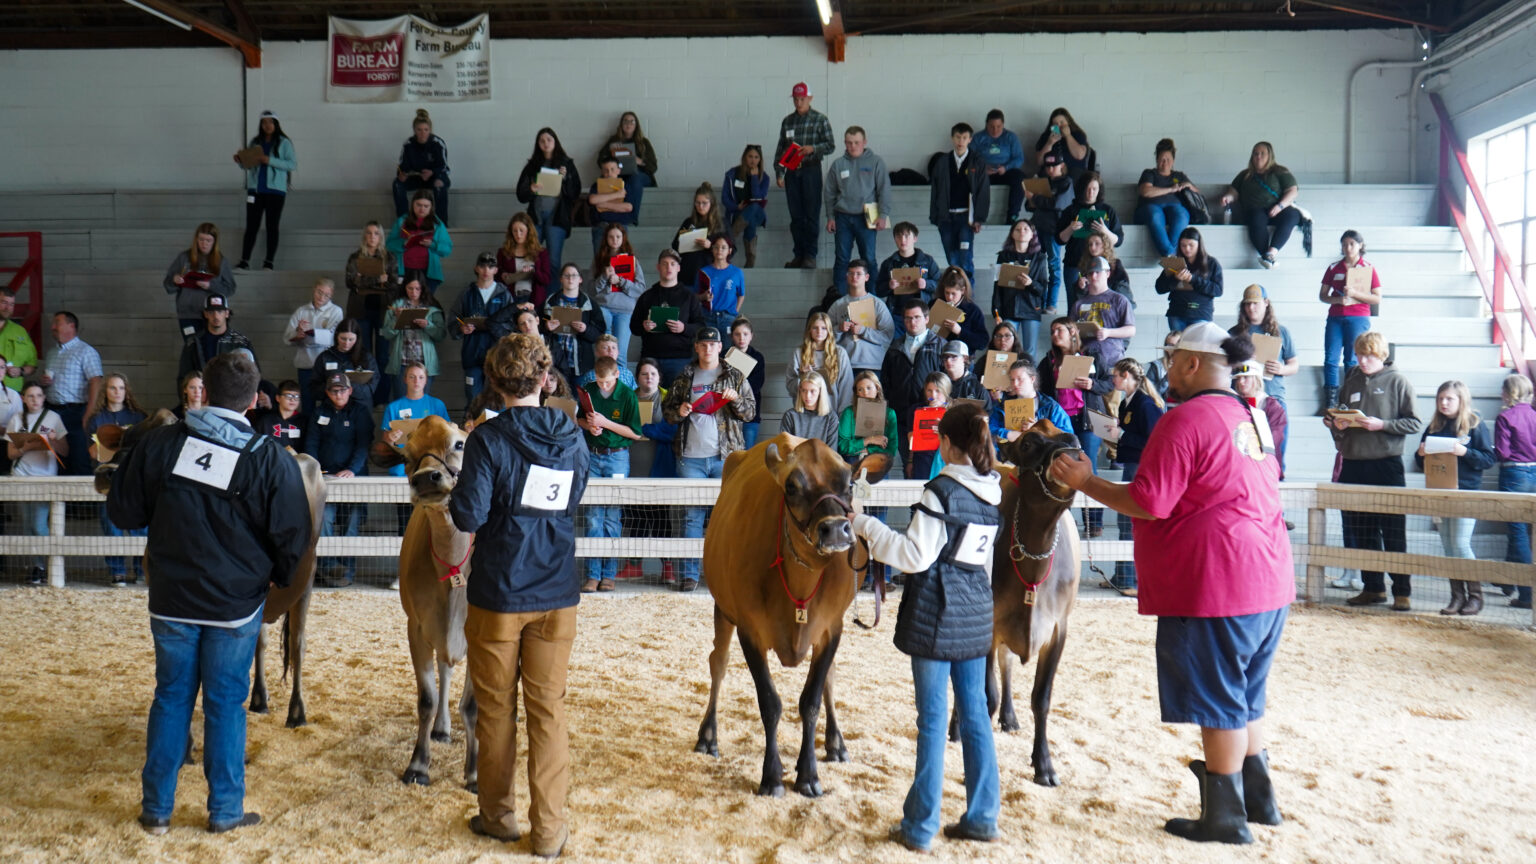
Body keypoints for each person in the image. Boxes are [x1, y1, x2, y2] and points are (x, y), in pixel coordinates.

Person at [1049, 321, 1291, 846]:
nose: (1168, 368)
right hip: (1268, 574)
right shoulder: (1249, 416)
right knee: (1245, 693)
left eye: (1173, 357)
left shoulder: (1186, 420)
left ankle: (1226, 816)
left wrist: (1086, 482)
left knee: (1221, 697)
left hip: (1216, 578)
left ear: (1190, 364)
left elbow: (1149, 502)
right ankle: (1259, 798)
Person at [107, 352, 311, 836]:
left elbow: (124, 511)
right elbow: (293, 537)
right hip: (235, 603)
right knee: (225, 702)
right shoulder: (268, 457)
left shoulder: (159, 444)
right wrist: (275, 578)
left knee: (171, 697)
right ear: (254, 399)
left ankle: (156, 810)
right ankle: (224, 810)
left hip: (172, 598)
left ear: (203, 390)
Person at [449, 334, 588, 858]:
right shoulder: (573, 437)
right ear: (545, 379)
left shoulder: (488, 439)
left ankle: (498, 817)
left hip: (500, 592)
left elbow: (468, 515)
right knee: (548, 710)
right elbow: (573, 497)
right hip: (557, 589)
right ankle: (549, 833)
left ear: (495, 383)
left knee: (496, 709)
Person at [852, 401, 1001, 853]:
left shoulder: (942, 491)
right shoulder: (993, 491)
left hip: (937, 613)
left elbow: (914, 557)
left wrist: (863, 523)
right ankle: (982, 816)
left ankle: (919, 827)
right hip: (975, 610)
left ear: (948, 444)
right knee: (975, 716)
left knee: (933, 721)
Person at [1329, 331, 1421, 610]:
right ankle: (1373, 588)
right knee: (1361, 529)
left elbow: (1414, 422)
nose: (1363, 360)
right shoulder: (1352, 380)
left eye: (1369, 355)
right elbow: (1341, 415)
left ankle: (1402, 591)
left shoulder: (1398, 382)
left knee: (1393, 530)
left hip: (1386, 464)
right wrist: (1336, 424)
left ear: (1381, 355)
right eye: (1359, 355)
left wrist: (1382, 425)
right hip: (1354, 464)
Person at [661, 326, 756, 592]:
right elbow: (668, 412)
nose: (707, 349)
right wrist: (679, 410)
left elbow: (750, 412)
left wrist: (735, 401)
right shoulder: (685, 376)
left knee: (726, 516)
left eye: (712, 345)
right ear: (696, 347)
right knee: (692, 517)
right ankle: (690, 575)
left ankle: (725, 573)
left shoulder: (734, 375)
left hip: (725, 457)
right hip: (691, 456)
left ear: (719, 347)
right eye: (703, 345)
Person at [1415, 380, 1495, 616]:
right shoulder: (1434, 427)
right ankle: (1457, 597)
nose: (1444, 403)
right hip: (1440, 492)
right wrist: (1420, 454)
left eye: (1449, 399)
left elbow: (1489, 459)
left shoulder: (1474, 424)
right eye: (1440, 399)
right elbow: (1421, 463)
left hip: (1466, 491)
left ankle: (1476, 597)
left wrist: (1465, 452)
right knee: (1449, 547)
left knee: (1460, 544)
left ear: (1461, 400)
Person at [577, 356, 642, 594]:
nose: (603, 386)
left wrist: (605, 422)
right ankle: (592, 575)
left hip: (617, 456)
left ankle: (609, 575)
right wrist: (590, 426)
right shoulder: (588, 391)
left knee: (612, 516)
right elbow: (580, 419)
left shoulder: (627, 394)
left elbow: (635, 433)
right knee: (594, 515)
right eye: (599, 381)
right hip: (593, 455)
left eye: (607, 381)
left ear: (617, 374)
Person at [1106, 358, 1167, 596]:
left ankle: (1130, 579)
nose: (1113, 379)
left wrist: (1120, 434)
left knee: (1129, 520)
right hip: (1131, 464)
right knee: (1124, 520)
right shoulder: (1127, 403)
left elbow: (1153, 442)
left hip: (1142, 466)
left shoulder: (1145, 405)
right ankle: (1121, 576)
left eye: (1116, 376)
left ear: (1128, 377)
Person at [1038, 318, 1104, 535]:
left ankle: (1094, 522)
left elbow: (1110, 382)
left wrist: (1093, 384)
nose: (1055, 334)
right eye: (1052, 330)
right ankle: (1066, 521)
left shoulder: (1091, 353)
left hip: (1087, 420)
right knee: (1061, 469)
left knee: (1089, 468)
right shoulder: (1048, 361)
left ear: (1073, 331)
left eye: (1059, 330)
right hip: (1061, 423)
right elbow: (1041, 392)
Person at [306, 373, 372, 588]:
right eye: (334, 390)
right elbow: (312, 443)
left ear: (350, 391)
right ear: (327, 393)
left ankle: (347, 572)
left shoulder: (360, 412)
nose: (339, 394)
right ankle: (327, 570)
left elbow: (363, 445)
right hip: (326, 479)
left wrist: (352, 470)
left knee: (351, 523)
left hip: (354, 479)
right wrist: (315, 469)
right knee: (324, 519)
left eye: (343, 390)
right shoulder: (319, 412)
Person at [87, 371, 149, 585]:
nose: (118, 392)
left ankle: (141, 570)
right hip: (107, 478)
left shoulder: (138, 417)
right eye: (113, 388)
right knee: (110, 524)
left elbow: (145, 448)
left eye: (121, 388)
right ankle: (117, 571)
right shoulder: (97, 419)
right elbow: (92, 453)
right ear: (106, 391)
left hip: (133, 478)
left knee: (139, 525)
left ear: (127, 391)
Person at [1230, 284, 1298, 471]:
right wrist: (1242, 362)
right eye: (1247, 304)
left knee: (1275, 451)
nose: (1251, 308)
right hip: (1243, 399)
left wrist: (1282, 369)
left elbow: (1294, 365)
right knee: (1243, 449)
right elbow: (1224, 365)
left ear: (1266, 303)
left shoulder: (1281, 332)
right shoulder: (1235, 333)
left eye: (1256, 303)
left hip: (1273, 397)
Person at [8, 381, 68, 584]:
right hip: (22, 476)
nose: (35, 400)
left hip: (45, 476)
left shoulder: (54, 418)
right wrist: (27, 447)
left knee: (39, 523)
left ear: (44, 398)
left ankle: (49, 564)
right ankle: (37, 566)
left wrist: (51, 440)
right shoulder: (16, 419)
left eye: (39, 396)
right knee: (26, 524)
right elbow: (10, 453)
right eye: (30, 396)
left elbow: (65, 450)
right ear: (23, 398)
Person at [1317, 230, 1380, 413]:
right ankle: (1330, 400)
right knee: (1330, 358)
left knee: (1352, 359)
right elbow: (1323, 295)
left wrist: (1355, 295)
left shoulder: (1368, 268)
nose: (1348, 248)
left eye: (1352, 244)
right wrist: (1337, 300)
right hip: (1336, 316)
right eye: (1344, 244)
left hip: (1358, 316)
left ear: (1360, 245)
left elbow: (1377, 298)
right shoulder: (1333, 268)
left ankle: (1351, 398)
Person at [881, 298, 945, 480]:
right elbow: (885, 381)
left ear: (927, 319)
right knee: (910, 470)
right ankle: (914, 510)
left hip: (933, 419)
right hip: (903, 419)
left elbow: (946, 381)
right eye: (908, 318)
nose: (912, 322)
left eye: (917, 317)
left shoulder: (939, 345)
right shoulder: (894, 347)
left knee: (934, 467)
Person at [775, 82, 837, 269]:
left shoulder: (820, 119)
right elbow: (781, 149)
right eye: (796, 99)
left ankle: (810, 254)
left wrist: (813, 148)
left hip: (811, 169)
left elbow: (830, 145)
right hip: (792, 171)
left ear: (810, 98)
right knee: (796, 216)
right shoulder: (787, 121)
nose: (799, 102)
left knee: (811, 214)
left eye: (802, 99)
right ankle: (799, 254)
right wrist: (780, 172)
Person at [826, 127, 892, 295]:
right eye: (849, 142)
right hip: (842, 217)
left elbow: (884, 190)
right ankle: (838, 299)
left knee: (869, 258)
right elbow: (829, 193)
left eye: (856, 142)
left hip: (867, 216)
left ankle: (872, 298)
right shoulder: (838, 164)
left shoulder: (876, 162)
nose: (852, 146)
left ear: (864, 142)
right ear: (844, 143)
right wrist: (830, 217)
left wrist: (883, 215)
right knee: (841, 258)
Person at [1220, 142, 1301, 270]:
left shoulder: (1280, 172)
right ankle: (1266, 257)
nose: (1258, 156)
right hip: (1255, 210)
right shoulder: (1245, 175)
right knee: (1256, 218)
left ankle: (1271, 253)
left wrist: (1280, 206)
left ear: (1270, 155)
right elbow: (1233, 191)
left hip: (1278, 210)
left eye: (1262, 153)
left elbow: (1292, 191)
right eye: (1255, 153)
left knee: (1293, 215)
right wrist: (1228, 197)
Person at [345, 221, 401, 400]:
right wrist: (378, 280)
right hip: (360, 310)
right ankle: (366, 394)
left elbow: (392, 284)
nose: (372, 236)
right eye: (369, 233)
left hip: (383, 311)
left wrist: (363, 281)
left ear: (381, 236)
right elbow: (350, 282)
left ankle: (382, 397)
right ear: (364, 236)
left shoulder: (389, 257)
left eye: (376, 233)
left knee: (383, 356)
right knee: (364, 355)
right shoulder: (355, 257)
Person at [631, 249, 706, 382]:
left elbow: (701, 327)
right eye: (664, 264)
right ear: (658, 267)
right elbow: (634, 327)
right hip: (651, 359)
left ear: (678, 268)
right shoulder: (647, 296)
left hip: (680, 359)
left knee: (678, 401)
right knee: (651, 401)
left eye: (672, 263)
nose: (668, 267)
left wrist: (684, 328)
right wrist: (644, 326)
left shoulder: (689, 297)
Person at [42, 310, 101, 476]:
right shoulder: (52, 353)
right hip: (52, 411)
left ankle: (83, 502)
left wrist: (88, 414)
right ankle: (60, 502)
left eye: (57, 323)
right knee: (56, 459)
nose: (52, 327)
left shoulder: (86, 351)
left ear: (71, 326)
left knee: (79, 458)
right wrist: (45, 383)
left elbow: (95, 382)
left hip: (76, 412)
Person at [233, 110, 295, 271]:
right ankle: (244, 261)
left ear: (276, 124)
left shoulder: (284, 142)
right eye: (264, 122)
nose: (267, 125)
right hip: (255, 190)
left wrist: (270, 160)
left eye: (270, 122)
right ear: (261, 125)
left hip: (275, 192)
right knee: (251, 226)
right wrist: (240, 161)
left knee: (271, 226)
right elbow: (248, 165)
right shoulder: (255, 142)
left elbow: (292, 164)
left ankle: (269, 262)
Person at [449, 252, 513, 405]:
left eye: (491, 267)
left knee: (499, 399)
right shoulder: (467, 293)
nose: (486, 270)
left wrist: (495, 327)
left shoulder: (504, 294)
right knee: (473, 398)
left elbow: (512, 324)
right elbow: (453, 318)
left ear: (496, 270)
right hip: (472, 354)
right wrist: (461, 328)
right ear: (476, 268)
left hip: (497, 355)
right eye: (483, 266)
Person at [928, 122, 989, 282]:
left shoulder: (977, 161)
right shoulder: (942, 162)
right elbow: (935, 191)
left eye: (964, 137)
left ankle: (968, 299)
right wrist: (935, 216)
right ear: (952, 138)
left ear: (970, 139)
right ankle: (955, 297)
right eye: (957, 137)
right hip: (946, 217)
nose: (960, 141)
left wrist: (979, 218)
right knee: (952, 260)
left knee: (965, 259)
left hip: (966, 219)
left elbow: (983, 191)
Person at [1495, 373, 1536, 610]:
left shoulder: (1505, 417)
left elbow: (1502, 452)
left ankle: (1527, 594)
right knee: (1524, 530)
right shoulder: (1534, 415)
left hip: (1514, 474)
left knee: (1517, 531)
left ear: (1509, 392)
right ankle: (1508, 581)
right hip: (1534, 471)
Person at [514, 127, 581, 271]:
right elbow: (520, 194)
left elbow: (575, 192)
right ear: (538, 144)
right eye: (542, 140)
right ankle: (534, 293)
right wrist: (531, 189)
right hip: (535, 217)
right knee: (530, 260)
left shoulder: (566, 164)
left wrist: (565, 178)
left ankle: (552, 293)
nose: (546, 143)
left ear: (555, 141)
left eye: (549, 140)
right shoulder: (532, 166)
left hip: (557, 217)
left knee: (554, 261)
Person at [1058, 171, 1124, 307]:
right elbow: (1060, 239)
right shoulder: (1070, 210)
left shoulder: (1107, 210)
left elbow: (1119, 240)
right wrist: (1071, 228)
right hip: (1074, 264)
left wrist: (1104, 230)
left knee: (1102, 305)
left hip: (1102, 265)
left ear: (1099, 190)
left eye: (1094, 189)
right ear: (1081, 189)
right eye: (1087, 189)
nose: (1091, 192)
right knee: (1074, 305)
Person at [992, 220, 1050, 361]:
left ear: (1032, 235)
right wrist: (996, 312)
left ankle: (1031, 380)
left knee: (1030, 351)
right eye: (1018, 229)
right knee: (1006, 348)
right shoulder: (1003, 256)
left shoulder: (1040, 258)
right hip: (1008, 307)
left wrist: (1031, 283)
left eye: (1026, 229)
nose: (1022, 231)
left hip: (1031, 308)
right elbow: (997, 286)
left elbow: (1042, 289)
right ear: (1012, 234)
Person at [163, 223, 237, 335]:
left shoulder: (221, 261)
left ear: (214, 242)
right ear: (196, 239)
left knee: (210, 349)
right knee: (192, 346)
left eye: (208, 241)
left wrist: (210, 286)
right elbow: (168, 285)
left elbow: (230, 288)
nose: (204, 244)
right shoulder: (184, 257)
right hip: (187, 313)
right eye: (201, 239)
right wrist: (175, 280)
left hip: (212, 314)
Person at [590, 224, 645, 369]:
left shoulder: (633, 261)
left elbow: (640, 289)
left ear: (623, 239)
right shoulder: (599, 260)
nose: (614, 240)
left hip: (625, 310)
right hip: (604, 308)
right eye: (611, 237)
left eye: (618, 237)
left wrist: (620, 281)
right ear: (606, 239)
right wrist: (604, 276)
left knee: (619, 354)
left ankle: (621, 388)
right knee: (605, 352)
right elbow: (592, 289)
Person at [828, 259, 895, 377]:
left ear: (867, 277)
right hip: (844, 364)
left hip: (872, 365)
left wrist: (863, 330)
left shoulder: (877, 304)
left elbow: (887, 336)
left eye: (859, 274)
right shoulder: (837, 305)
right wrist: (838, 329)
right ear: (846, 277)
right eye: (851, 273)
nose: (854, 277)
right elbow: (825, 336)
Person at [1024, 152, 1074, 312]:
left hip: (1054, 229)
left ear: (1062, 166)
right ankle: (1040, 302)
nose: (1051, 169)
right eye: (1048, 166)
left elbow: (1058, 204)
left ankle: (1051, 303)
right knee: (1037, 266)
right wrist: (1032, 198)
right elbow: (1029, 205)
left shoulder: (1066, 182)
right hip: (1038, 226)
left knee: (1054, 266)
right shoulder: (1042, 182)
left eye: (1054, 166)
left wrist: (1036, 198)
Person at [540, 263, 604, 385]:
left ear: (580, 279)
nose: (570, 279)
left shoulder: (590, 304)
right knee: (556, 401)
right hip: (554, 363)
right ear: (561, 279)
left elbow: (599, 333)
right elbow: (536, 327)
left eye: (574, 276)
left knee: (578, 401)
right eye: (567, 275)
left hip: (580, 365)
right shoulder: (550, 302)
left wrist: (585, 329)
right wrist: (546, 327)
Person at [380, 277, 447, 390]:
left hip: (425, 362)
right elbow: (386, 334)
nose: (413, 292)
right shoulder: (396, 306)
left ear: (423, 289)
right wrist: (397, 319)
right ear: (404, 288)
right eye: (410, 288)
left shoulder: (431, 307)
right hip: (401, 362)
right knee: (402, 402)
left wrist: (427, 325)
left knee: (423, 401)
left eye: (417, 289)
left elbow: (441, 335)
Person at [1153, 227, 1224, 333]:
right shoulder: (1175, 262)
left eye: (1191, 245)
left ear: (1199, 245)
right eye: (1183, 245)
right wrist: (1175, 279)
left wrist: (1193, 279)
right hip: (1177, 312)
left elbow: (1218, 290)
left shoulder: (1211, 263)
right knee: (1177, 348)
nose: (1187, 249)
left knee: (1197, 349)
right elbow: (1159, 288)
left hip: (1201, 312)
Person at [1073, 256, 1137, 372]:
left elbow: (1131, 330)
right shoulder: (1079, 304)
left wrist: (1108, 332)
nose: (1093, 276)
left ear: (1107, 273)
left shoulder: (1119, 300)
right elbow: (1071, 331)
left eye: (1098, 272)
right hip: (1086, 362)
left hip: (1112, 361)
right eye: (1090, 273)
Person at [1136, 139, 1198, 257]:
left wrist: (1189, 185)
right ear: (1157, 160)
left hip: (1174, 209)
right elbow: (1146, 191)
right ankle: (1171, 255)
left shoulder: (1179, 176)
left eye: (1168, 159)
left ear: (1173, 161)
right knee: (1155, 214)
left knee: (1182, 214)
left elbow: (1197, 195)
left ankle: (1171, 257)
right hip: (1150, 208)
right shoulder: (1149, 173)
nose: (1165, 162)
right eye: (1162, 159)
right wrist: (1171, 189)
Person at [283, 279, 344, 399]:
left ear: (331, 295)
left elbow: (334, 337)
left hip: (325, 364)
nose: (322, 297)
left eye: (326, 295)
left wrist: (313, 333)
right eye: (319, 292)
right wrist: (298, 333)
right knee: (307, 401)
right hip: (305, 363)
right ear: (314, 290)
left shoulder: (336, 311)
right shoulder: (302, 311)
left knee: (327, 400)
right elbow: (287, 337)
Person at [988, 358, 1071, 444]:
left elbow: (1067, 437)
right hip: (1009, 453)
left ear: (1032, 379)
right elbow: (989, 429)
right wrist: (1008, 434)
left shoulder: (1050, 406)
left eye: (1020, 379)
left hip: (1040, 454)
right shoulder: (1003, 405)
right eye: (1012, 380)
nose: (1015, 384)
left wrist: (1040, 430)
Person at [387, 190, 454, 296]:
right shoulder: (401, 221)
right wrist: (404, 243)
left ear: (431, 207)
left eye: (426, 206)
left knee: (424, 305)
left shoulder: (437, 224)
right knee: (404, 305)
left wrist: (432, 244)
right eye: (418, 205)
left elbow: (447, 249)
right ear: (412, 204)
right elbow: (389, 244)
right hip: (404, 270)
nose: (422, 209)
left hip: (428, 272)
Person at [784, 311, 853, 415]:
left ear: (829, 330)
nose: (819, 331)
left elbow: (846, 389)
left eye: (824, 328)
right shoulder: (799, 353)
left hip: (832, 413)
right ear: (809, 330)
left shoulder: (840, 353)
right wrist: (802, 377)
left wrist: (841, 416)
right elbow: (790, 387)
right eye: (815, 328)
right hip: (805, 413)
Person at [309, 318, 380, 414]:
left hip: (359, 407)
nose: (347, 343)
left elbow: (371, 387)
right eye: (343, 338)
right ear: (336, 336)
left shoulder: (367, 357)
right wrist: (333, 388)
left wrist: (348, 388)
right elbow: (314, 387)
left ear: (357, 339)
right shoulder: (325, 357)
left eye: (351, 339)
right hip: (332, 408)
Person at [393, 109, 451, 225]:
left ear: (430, 130)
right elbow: (402, 165)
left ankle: (441, 223)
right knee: (397, 184)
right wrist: (402, 173)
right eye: (419, 130)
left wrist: (432, 172)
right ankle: (404, 222)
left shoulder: (437, 143)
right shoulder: (408, 144)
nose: (422, 133)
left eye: (426, 130)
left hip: (435, 176)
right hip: (417, 178)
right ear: (414, 130)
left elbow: (444, 167)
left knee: (439, 184)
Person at [178, 293, 254, 381]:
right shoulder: (193, 342)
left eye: (220, 311)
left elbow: (253, 374)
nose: (216, 316)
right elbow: (184, 377)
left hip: (233, 393)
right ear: (205, 314)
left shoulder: (241, 342)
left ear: (227, 313)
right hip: (204, 393)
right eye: (211, 312)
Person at [972, 108, 1027, 223]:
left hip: (1005, 171)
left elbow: (1019, 158)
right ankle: (978, 216)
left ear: (1003, 125)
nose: (995, 130)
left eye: (998, 126)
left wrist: (1005, 168)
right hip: (984, 173)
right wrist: (982, 169)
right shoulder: (978, 138)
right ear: (986, 124)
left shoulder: (1011, 137)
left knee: (1020, 177)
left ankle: (1012, 215)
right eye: (992, 126)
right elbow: (970, 159)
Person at [1233, 363, 1287, 479]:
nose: (1241, 382)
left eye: (1246, 377)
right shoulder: (1232, 403)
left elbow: (1274, 440)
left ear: (1256, 379)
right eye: (1238, 378)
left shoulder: (1273, 407)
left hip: (1265, 468)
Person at [722, 144, 771, 267]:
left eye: (756, 157)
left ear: (760, 160)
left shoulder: (764, 177)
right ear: (744, 157)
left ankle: (730, 238)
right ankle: (750, 261)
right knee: (751, 221)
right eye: (750, 156)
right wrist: (736, 207)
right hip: (738, 212)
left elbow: (759, 197)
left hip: (758, 212)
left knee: (754, 208)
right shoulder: (732, 174)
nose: (753, 160)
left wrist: (754, 178)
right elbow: (725, 198)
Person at [596, 110, 658, 205]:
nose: (628, 124)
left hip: (640, 175)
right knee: (611, 179)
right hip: (620, 174)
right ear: (621, 124)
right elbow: (600, 160)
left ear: (636, 125)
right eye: (625, 121)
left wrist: (640, 161)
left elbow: (653, 167)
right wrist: (611, 161)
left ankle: (631, 216)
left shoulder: (644, 142)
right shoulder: (614, 141)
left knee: (633, 179)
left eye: (632, 121)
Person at [496, 212, 553, 314]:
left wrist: (534, 271)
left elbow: (546, 280)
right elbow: (496, 277)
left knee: (532, 327)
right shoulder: (503, 252)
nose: (518, 235)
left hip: (534, 300)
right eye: (515, 231)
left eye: (521, 231)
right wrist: (503, 275)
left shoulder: (541, 253)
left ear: (529, 231)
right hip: (511, 300)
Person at [874, 223, 942, 307]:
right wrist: (889, 286)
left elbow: (940, 284)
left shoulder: (927, 261)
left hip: (922, 312)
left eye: (906, 236)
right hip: (896, 312)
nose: (902, 240)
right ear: (894, 239)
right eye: (898, 236)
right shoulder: (888, 263)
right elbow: (878, 290)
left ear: (915, 238)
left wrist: (926, 284)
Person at [671, 183, 724, 288]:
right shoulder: (689, 221)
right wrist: (686, 242)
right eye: (697, 203)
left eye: (704, 203)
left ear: (712, 203)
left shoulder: (721, 224)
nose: (700, 206)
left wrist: (711, 246)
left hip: (710, 271)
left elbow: (731, 248)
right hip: (687, 271)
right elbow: (675, 244)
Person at [839, 370, 898, 464]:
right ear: (856, 393)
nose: (865, 393)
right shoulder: (848, 413)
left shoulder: (889, 413)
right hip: (853, 461)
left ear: (877, 388)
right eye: (860, 389)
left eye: (869, 388)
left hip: (878, 461)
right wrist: (868, 440)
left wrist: (869, 451)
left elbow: (891, 449)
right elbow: (842, 447)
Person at [728, 317, 767, 449]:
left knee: (747, 453)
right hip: (727, 413)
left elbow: (756, 385)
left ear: (751, 336)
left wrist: (734, 388)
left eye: (745, 334)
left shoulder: (758, 357)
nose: (741, 338)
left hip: (749, 414)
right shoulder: (724, 356)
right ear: (732, 336)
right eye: (737, 334)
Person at [932, 267, 990, 354]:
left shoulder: (973, 311)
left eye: (953, 293)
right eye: (947, 292)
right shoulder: (934, 304)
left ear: (963, 290)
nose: (949, 297)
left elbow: (982, 342)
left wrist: (960, 331)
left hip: (963, 357)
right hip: (937, 353)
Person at [697, 234, 746, 336]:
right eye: (716, 247)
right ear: (712, 249)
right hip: (707, 317)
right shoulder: (703, 271)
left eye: (723, 247)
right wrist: (703, 296)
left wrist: (734, 312)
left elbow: (741, 295)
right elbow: (694, 295)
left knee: (727, 350)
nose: (719, 250)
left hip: (728, 318)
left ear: (729, 251)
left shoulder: (736, 272)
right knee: (708, 349)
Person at [779, 371, 838, 446]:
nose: (807, 396)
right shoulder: (790, 416)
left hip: (821, 457)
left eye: (812, 391)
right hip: (795, 457)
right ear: (800, 390)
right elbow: (785, 447)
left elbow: (831, 452)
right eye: (804, 390)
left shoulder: (831, 418)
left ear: (820, 391)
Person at [1033, 107, 1093, 179]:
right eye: (1055, 124)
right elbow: (1039, 162)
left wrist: (1068, 136)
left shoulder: (1078, 134)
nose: (1059, 126)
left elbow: (1079, 155)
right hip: (1051, 170)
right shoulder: (1046, 136)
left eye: (1062, 122)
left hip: (1073, 171)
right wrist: (1049, 143)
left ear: (1068, 122)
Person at [250, 378, 307, 452]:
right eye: (288, 395)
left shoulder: (304, 422)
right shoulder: (265, 421)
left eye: (296, 396)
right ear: (278, 398)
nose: (292, 399)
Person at [940, 339, 991, 405]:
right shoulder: (938, 381)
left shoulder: (976, 387)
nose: (948, 361)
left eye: (954, 357)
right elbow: (927, 399)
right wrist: (932, 401)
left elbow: (987, 411)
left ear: (965, 358)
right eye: (945, 357)